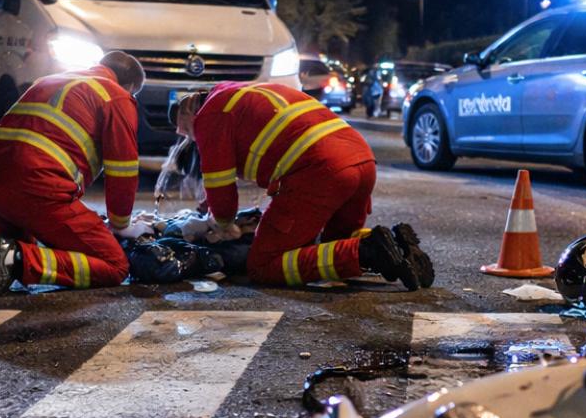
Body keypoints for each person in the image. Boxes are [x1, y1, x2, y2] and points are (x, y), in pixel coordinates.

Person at [169, 82, 434, 290]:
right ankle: (398, 249)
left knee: (264, 265)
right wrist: (207, 207)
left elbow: (222, 197)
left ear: (190, 114)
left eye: (187, 132)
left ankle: (368, 252)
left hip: (321, 172)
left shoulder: (209, 117)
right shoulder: (233, 94)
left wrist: (219, 225)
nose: (192, 139)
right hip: (361, 161)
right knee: (332, 246)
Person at [0, 52, 146, 294]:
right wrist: (121, 224)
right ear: (129, 87)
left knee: (14, 249)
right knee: (114, 265)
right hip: (34, 187)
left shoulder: (50, 80)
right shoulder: (116, 96)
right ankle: (16, 257)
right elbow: (123, 171)